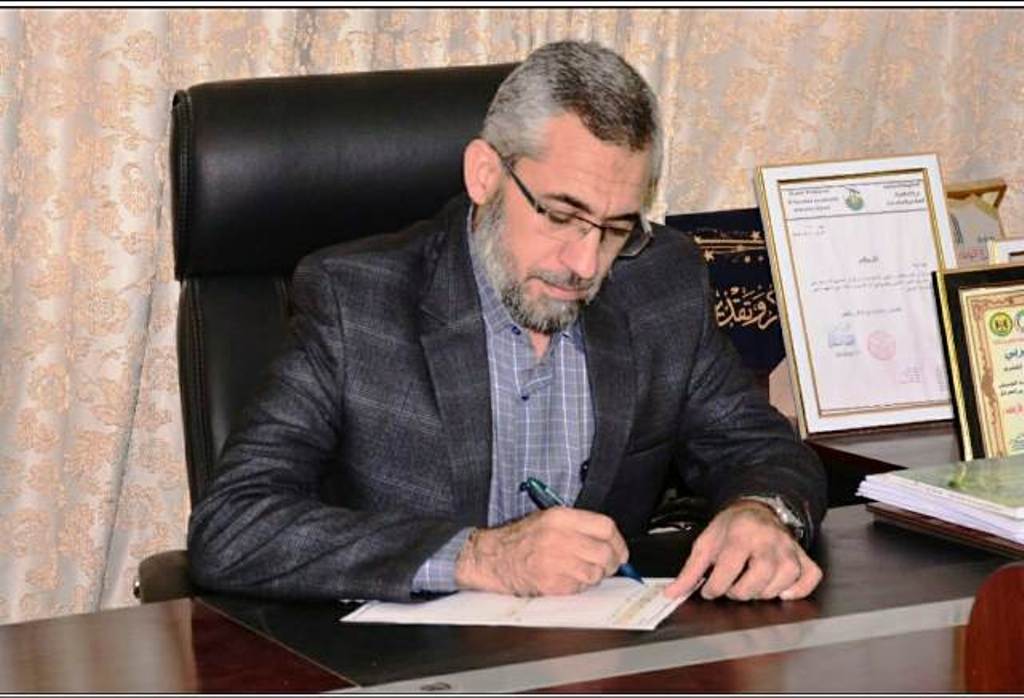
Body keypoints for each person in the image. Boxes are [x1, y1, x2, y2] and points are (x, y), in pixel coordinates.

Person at [187, 40, 827, 604]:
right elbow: (232, 526)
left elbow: (762, 448)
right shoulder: (356, 302)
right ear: (486, 175)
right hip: (409, 667)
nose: (584, 264)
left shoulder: (660, 283)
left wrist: (760, 513)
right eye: (560, 216)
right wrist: (480, 557)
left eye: (614, 229)